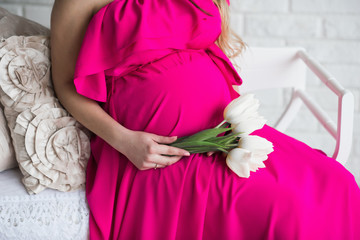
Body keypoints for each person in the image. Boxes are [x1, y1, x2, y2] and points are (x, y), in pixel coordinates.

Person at [50, 0, 360, 239]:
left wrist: (233, 125)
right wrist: (124, 141)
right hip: (163, 153)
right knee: (286, 210)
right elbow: (65, 84)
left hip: (229, 133)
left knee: (337, 184)